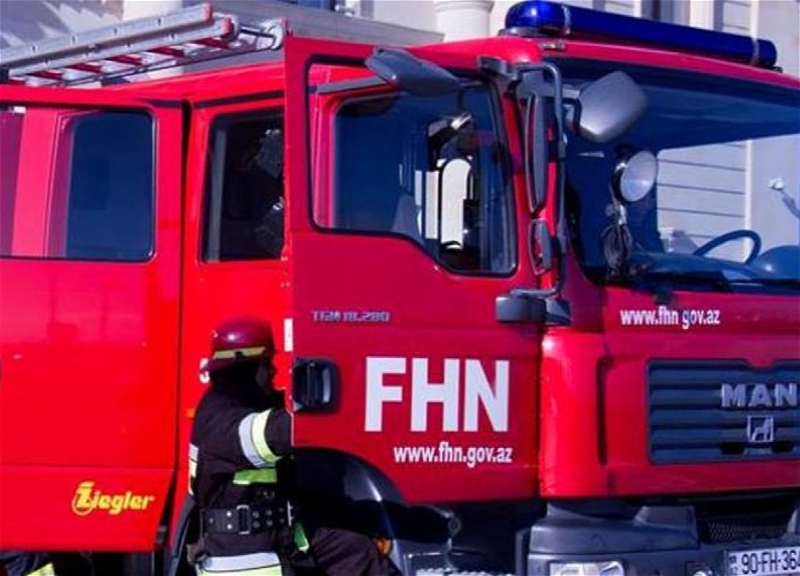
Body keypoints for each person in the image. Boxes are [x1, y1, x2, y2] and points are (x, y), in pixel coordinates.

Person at [189, 317, 396, 576]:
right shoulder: (220, 417)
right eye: (267, 364)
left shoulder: (234, 405)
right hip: (246, 556)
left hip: (275, 535)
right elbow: (275, 433)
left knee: (353, 550)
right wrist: (333, 402)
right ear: (247, 368)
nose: (273, 372)